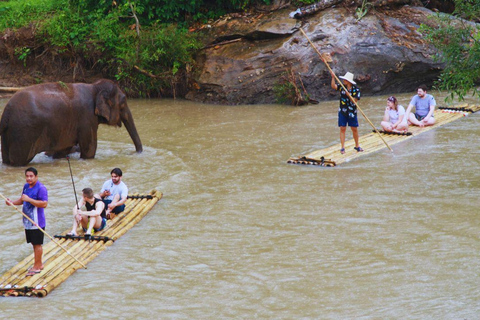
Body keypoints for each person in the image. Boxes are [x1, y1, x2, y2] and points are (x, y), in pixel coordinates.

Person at [5, 167, 48, 276]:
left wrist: (29, 200)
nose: (29, 178)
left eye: (31, 176)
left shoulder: (41, 188)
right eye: (27, 176)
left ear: (36, 177)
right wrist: (12, 203)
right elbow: (22, 200)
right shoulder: (26, 186)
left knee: (37, 244)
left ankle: (37, 266)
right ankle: (39, 263)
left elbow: (44, 204)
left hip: (37, 221)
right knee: (33, 243)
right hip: (27, 221)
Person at [330, 71, 363, 154]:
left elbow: (355, 101)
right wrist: (333, 77)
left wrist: (349, 96)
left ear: (348, 81)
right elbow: (333, 86)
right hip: (342, 110)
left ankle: (357, 145)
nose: (343, 80)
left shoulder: (356, 90)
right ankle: (342, 147)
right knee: (342, 128)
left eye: (345, 79)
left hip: (352, 111)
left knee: (354, 128)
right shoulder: (342, 87)